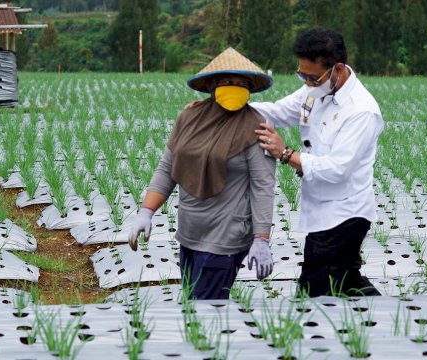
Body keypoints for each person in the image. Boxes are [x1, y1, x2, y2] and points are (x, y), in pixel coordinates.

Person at [128, 48, 276, 300]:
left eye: (242, 83)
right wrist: (146, 212)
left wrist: (261, 239)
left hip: (226, 236)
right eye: (228, 81)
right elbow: (168, 168)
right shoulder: (190, 117)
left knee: (205, 309)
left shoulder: (256, 127)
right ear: (212, 85)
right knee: (193, 305)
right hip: (189, 231)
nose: (235, 87)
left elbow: (263, 186)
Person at [252, 28, 384, 297]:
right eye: (302, 75)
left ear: (337, 69)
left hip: (345, 213)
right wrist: (222, 107)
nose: (307, 83)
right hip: (321, 209)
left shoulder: (361, 111)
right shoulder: (313, 92)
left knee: (315, 289)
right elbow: (278, 111)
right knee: (346, 280)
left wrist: (285, 153)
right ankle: (382, 316)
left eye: (312, 77)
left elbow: (337, 169)